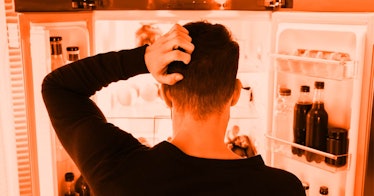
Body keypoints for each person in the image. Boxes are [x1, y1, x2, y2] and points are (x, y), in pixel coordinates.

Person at [42, 21, 305, 196]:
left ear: (165, 94)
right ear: (235, 94)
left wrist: (143, 58)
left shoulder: (119, 173)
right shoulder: (283, 189)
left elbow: (59, 87)